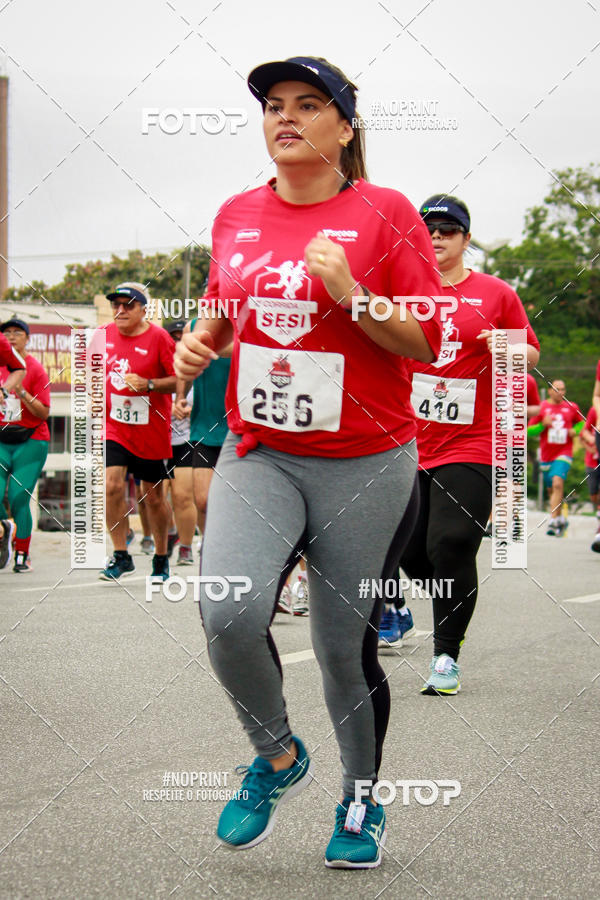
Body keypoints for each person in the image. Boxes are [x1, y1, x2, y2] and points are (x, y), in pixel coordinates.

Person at [174, 56, 442, 869]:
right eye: (275, 106)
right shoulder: (236, 215)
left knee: (337, 647)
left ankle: (360, 802)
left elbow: (428, 341)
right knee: (226, 612)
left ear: (345, 127)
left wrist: (353, 294)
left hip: (366, 462)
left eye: (309, 104)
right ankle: (278, 756)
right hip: (262, 453)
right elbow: (226, 309)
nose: (285, 117)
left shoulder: (386, 212)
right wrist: (202, 341)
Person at [398, 194, 539, 695]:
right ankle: (439, 596)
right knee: (413, 554)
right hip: (409, 442)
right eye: (428, 229)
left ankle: (445, 657)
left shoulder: (496, 294)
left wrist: (502, 345)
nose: (436, 238)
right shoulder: (401, 290)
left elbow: (528, 349)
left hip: (475, 439)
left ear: (465, 238)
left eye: (448, 230)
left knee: (452, 541)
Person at [99, 282, 176, 582]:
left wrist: (150, 384)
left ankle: (160, 557)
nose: (120, 310)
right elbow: (93, 372)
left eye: (128, 305)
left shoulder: (159, 337)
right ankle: (121, 555)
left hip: (151, 429)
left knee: (153, 497)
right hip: (114, 426)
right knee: (111, 486)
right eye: (115, 305)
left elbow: (178, 379)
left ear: (144, 309)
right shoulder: (102, 335)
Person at [174, 317, 231, 548]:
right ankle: (213, 548)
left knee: (240, 500)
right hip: (205, 426)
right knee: (203, 499)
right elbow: (186, 366)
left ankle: (232, 548)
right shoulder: (193, 326)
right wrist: (180, 397)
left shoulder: (250, 321)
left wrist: (212, 347)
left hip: (240, 426)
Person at [0, 318, 48, 572]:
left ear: (27, 338)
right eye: (6, 332)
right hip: (1, 439)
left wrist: (22, 392)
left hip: (30, 439)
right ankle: (4, 534)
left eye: (17, 332)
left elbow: (43, 414)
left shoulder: (35, 369)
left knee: (19, 498)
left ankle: (22, 553)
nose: (10, 336)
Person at [528, 380, 584, 536]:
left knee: (557, 483)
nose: (560, 392)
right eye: (557, 389)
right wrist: (542, 425)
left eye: (563, 389)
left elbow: (583, 424)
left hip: (564, 452)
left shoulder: (572, 407)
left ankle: (552, 522)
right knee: (551, 489)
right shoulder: (542, 408)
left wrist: (575, 430)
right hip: (546, 455)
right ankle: (560, 519)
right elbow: (529, 431)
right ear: (550, 391)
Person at [163, 320, 196, 565]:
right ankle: (168, 534)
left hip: (186, 440)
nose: (176, 342)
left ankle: (186, 546)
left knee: (183, 496)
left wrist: (190, 409)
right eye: (171, 337)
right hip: (159, 440)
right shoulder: (159, 368)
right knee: (156, 497)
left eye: (180, 337)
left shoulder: (198, 368)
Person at [580, 406, 600, 551]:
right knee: (593, 493)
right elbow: (584, 431)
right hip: (592, 462)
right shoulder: (595, 410)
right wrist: (592, 440)